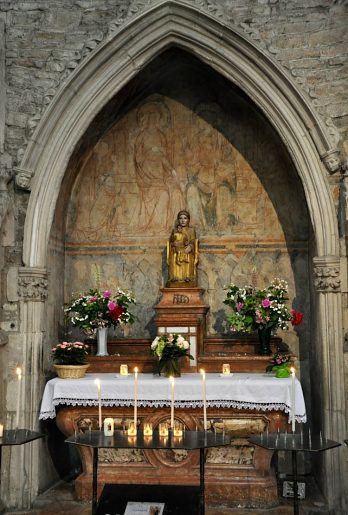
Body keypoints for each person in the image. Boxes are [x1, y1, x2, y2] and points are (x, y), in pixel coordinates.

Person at [167, 211, 198, 287]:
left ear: (188, 220)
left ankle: (187, 277)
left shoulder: (191, 230)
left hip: (187, 250)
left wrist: (190, 246)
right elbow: (170, 241)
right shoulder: (175, 230)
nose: (183, 220)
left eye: (185, 218)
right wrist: (173, 244)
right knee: (174, 255)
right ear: (178, 220)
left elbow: (193, 241)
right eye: (180, 218)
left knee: (187, 255)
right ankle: (175, 277)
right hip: (177, 250)